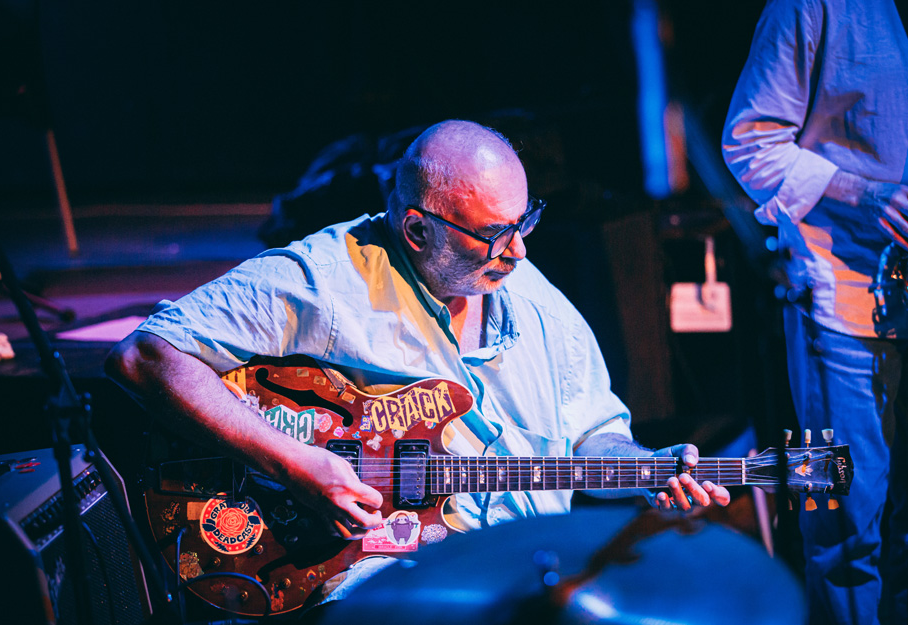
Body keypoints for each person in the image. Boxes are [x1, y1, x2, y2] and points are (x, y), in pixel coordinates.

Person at [107, 119, 730, 606]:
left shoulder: (536, 298)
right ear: (416, 230)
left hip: (535, 571)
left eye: (525, 221)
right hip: (392, 576)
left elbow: (591, 436)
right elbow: (146, 355)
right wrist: (294, 463)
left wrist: (647, 468)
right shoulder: (325, 280)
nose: (518, 251)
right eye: (493, 233)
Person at [722, 1, 908, 624]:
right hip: (845, 300)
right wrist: (867, 194)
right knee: (842, 534)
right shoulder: (809, 6)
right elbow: (748, 145)